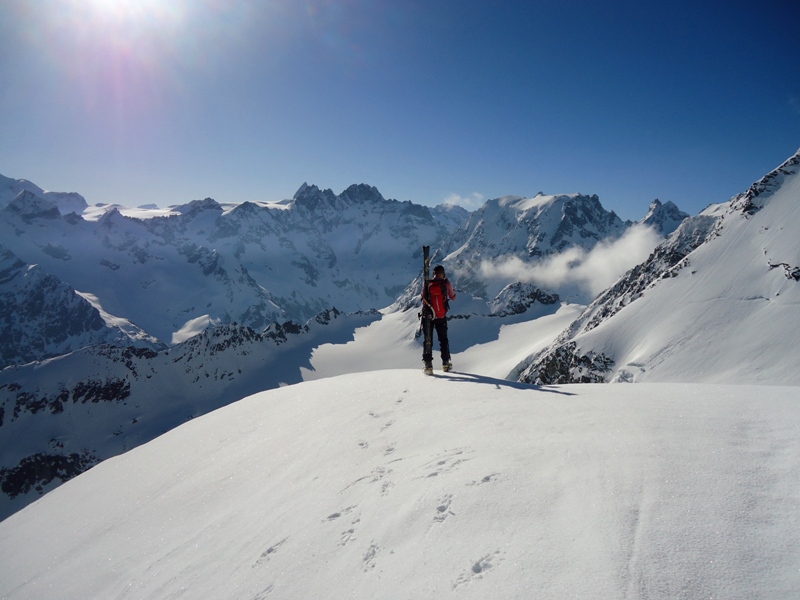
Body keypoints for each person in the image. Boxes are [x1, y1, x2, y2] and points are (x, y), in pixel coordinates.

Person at [421, 264, 457, 374]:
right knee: (443, 340)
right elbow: (453, 297)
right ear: (443, 273)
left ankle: (428, 366)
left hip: (429, 316)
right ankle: (445, 364)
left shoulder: (428, 284)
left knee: (428, 339)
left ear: (434, 273)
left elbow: (423, 296)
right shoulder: (446, 283)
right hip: (441, 316)